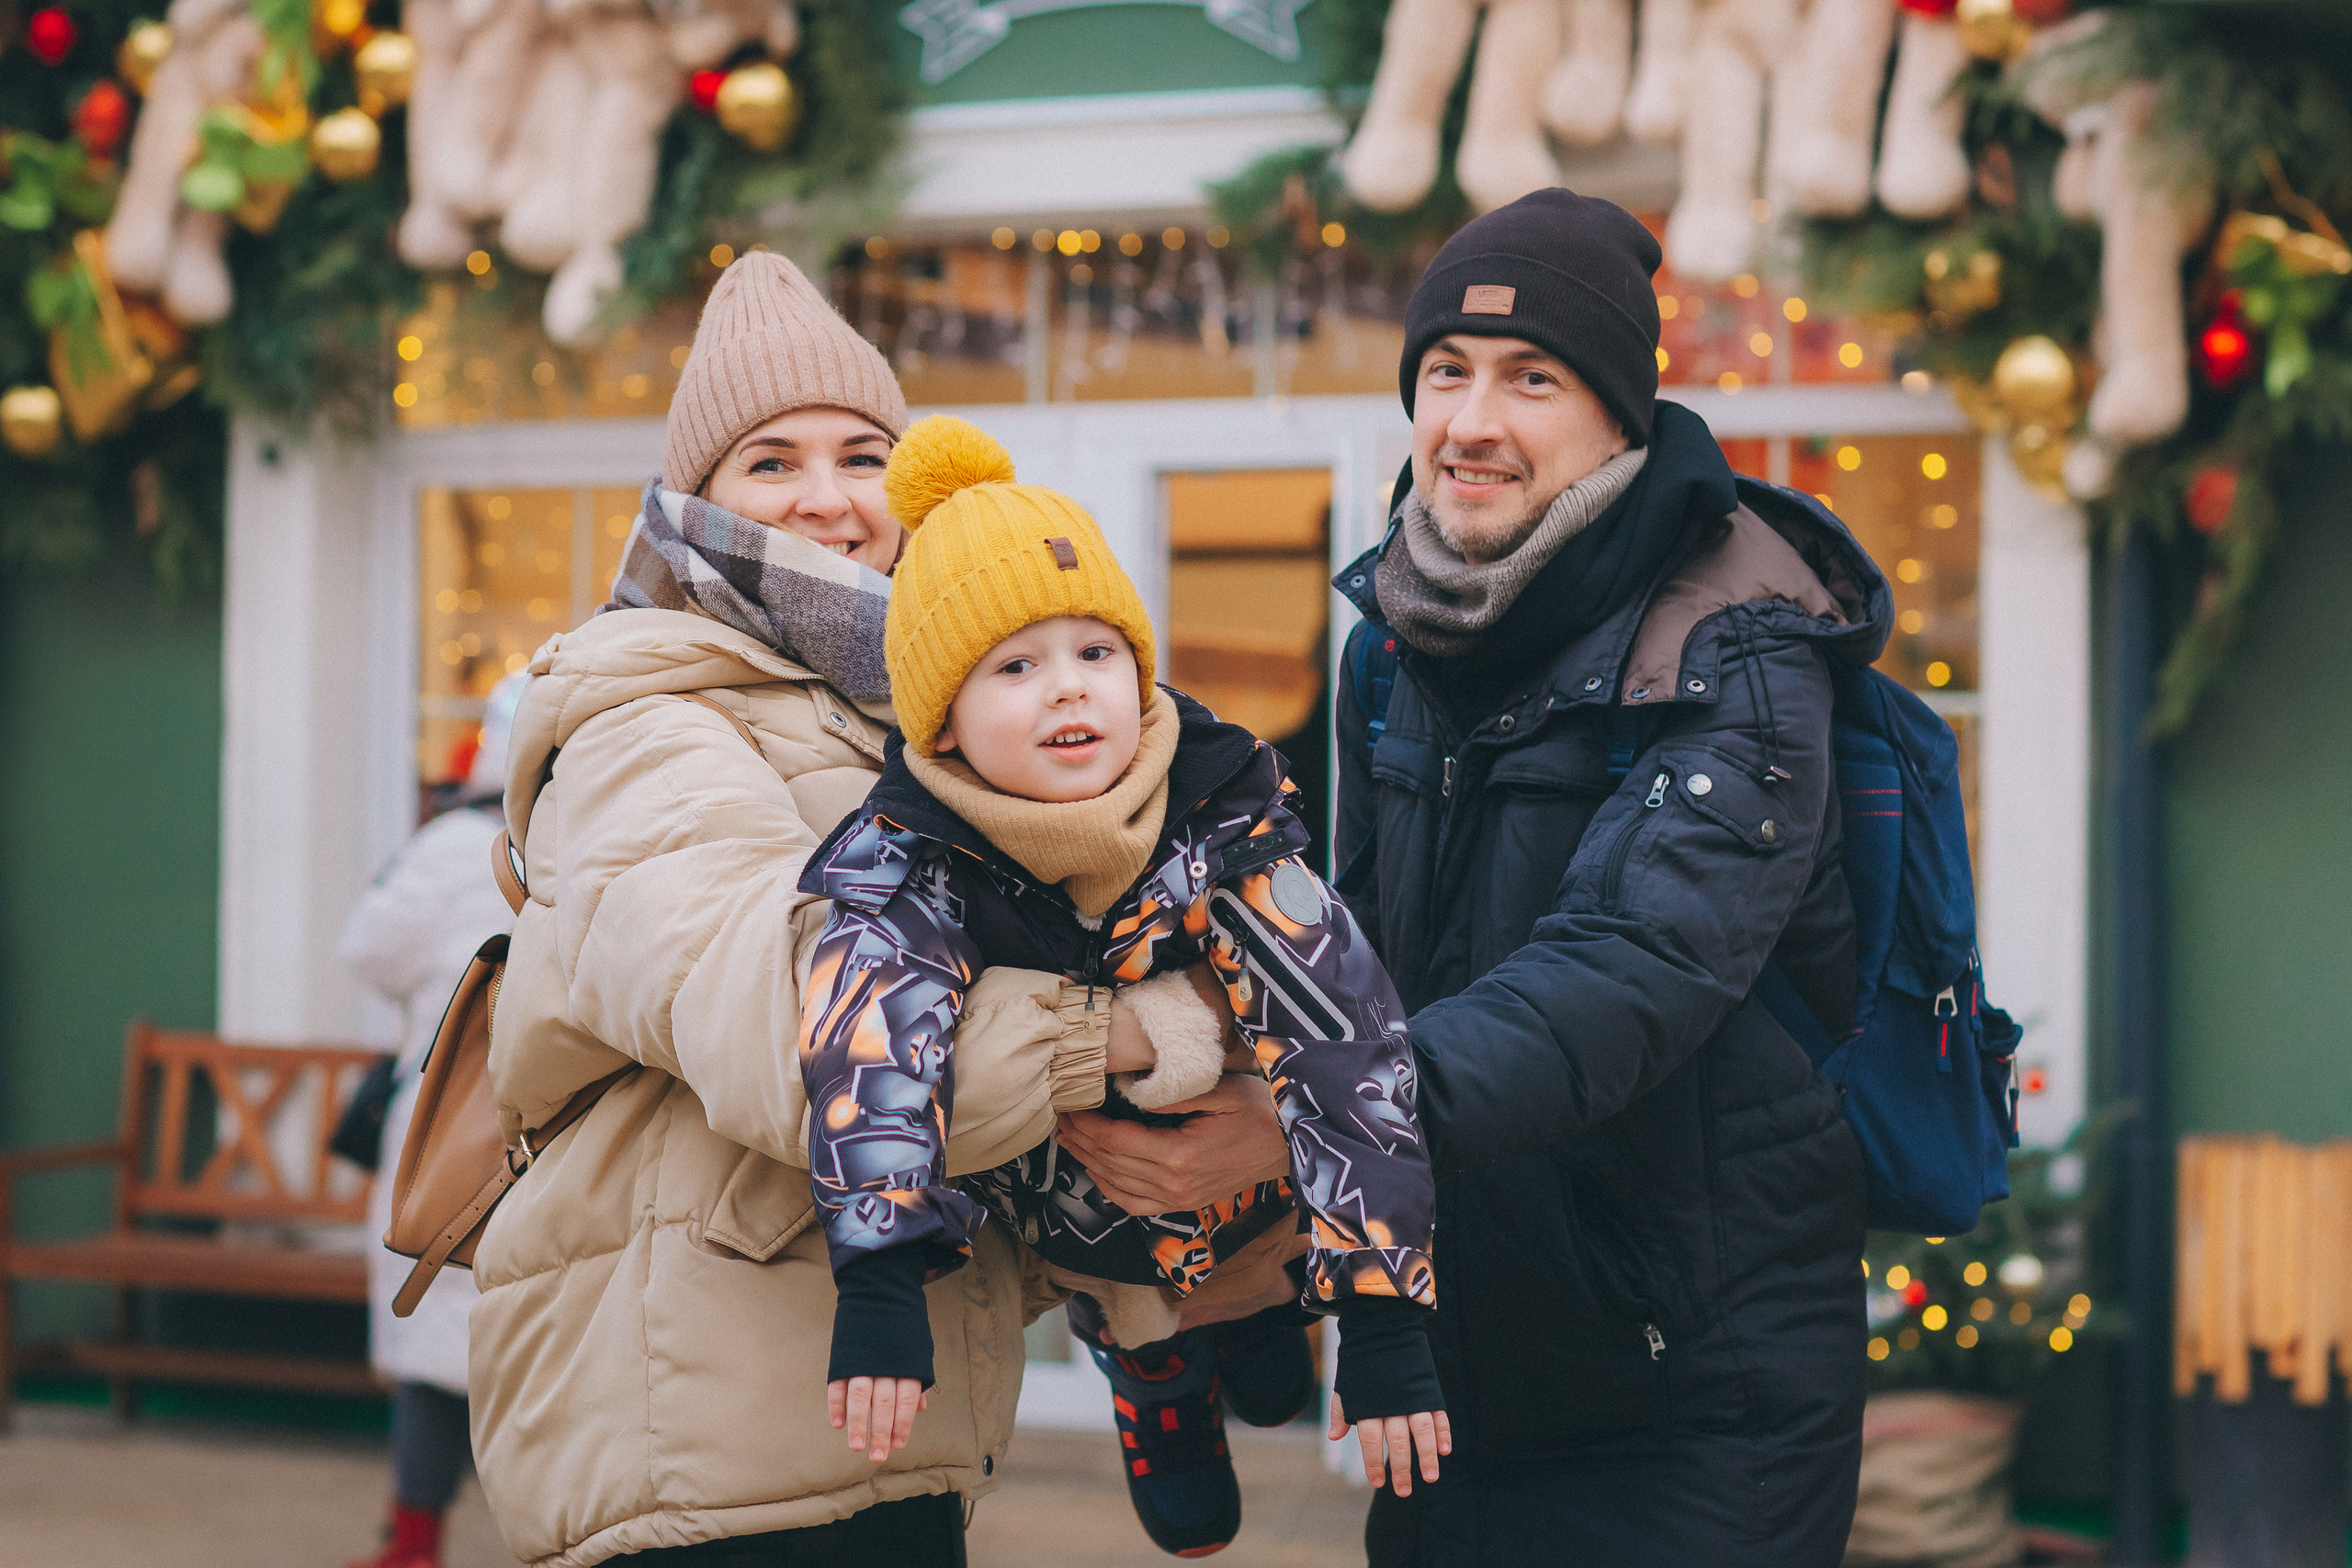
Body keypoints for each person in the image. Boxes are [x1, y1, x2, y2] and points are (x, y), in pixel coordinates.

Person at [1069, 187, 1891, 1565]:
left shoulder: (1735, 647)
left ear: (1620, 413)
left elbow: (1627, 973)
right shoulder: (1395, 643)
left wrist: (1297, 1122)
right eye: (1445, 370)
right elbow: (1354, 950)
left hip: (1693, 1381)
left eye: (1532, 377)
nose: (1471, 419)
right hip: (1460, 1358)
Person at [468, 253, 1135, 1567]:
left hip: (864, 1422)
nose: (827, 499)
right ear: (693, 498)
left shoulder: (912, 716)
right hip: (705, 1443)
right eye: (770, 461)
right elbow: (803, 1036)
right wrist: (1117, 1033)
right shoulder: (642, 721)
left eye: (862, 453)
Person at [794, 417, 1447, 1557]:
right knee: (1120, 1284)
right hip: (1078, 1217)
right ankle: (1149, 1367)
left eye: (1095, 653)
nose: (1068, 692)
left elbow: (1348, 1036)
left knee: (1270, 1282)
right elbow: (870, 1047)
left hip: (1248, 1200)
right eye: (1015, 666)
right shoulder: (911, 853)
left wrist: (1383, 1319)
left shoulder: (1218, 812)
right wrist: (881, 1285)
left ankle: (1261, 1303)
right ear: (939, 719)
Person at [339, 672, 526, 1568]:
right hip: (576, 1129)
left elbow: (369, 949)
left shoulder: (455, 847)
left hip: (449, 1124)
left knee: (434, 1333)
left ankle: (414, 1542)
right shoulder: (604, 842)